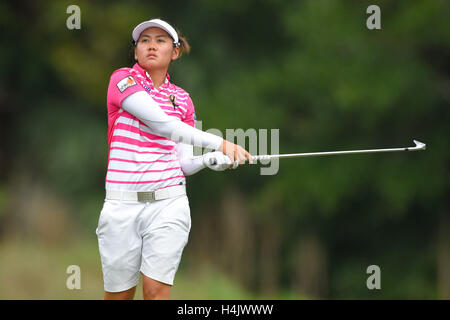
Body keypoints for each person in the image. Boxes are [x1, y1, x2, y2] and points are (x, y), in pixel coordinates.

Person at [96, 18, 252, 300]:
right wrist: (221, 143)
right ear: (135, 52)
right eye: (144, 41)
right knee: (119, 296)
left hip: (168, 204)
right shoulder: (122, 80)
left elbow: (184, 163)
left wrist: (210, 159)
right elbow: (162, 125)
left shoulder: (183, 99)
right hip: (121, 205)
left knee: (155, 293)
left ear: (175, 51)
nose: (151, 46)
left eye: (160, 40)